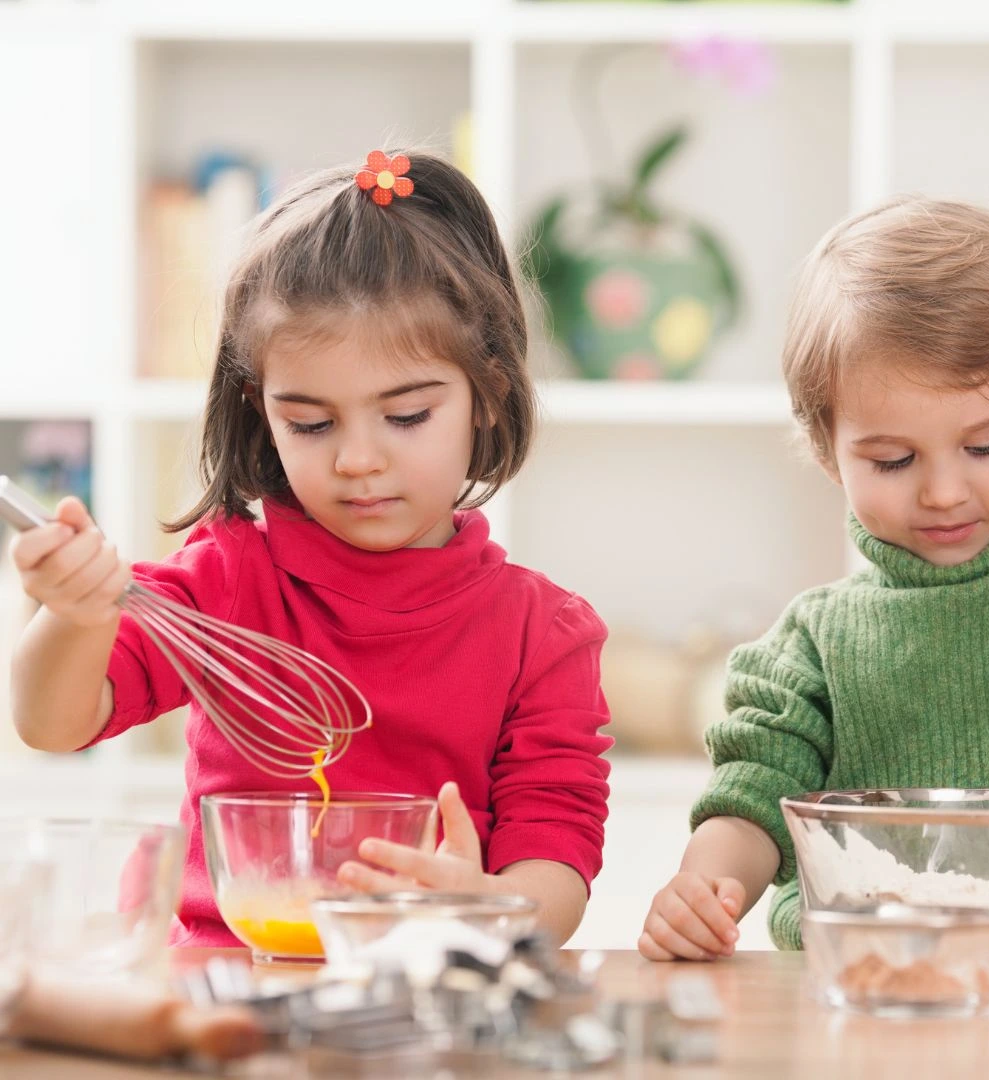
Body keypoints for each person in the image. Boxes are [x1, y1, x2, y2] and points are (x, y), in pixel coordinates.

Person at [10, 150, 612, 947]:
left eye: (405, 417)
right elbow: (52, 722)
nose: (357, 459)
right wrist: (76, 615)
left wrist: (493, 911)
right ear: (262, 412)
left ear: (489, 394)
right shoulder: (224, 580)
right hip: (218, 985)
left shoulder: (543, 633)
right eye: (312, 424)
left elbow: (557, 853)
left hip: (415, 990)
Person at [640, 195, 989, 960]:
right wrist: (704, 890)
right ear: (826, 451)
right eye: (894, 461)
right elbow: (751, 805)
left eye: (984, 447)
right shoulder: (809, 646)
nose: (943, 491)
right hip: (868, 978)